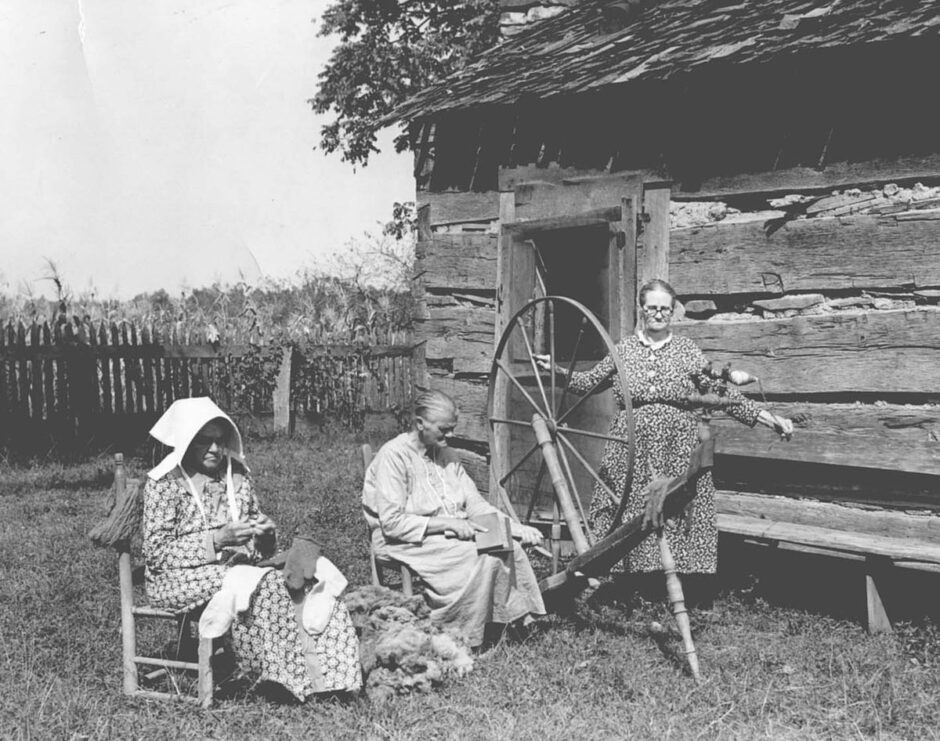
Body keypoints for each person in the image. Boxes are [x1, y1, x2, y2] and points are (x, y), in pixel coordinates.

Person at [537, 279, 793, 589]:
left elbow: (722, 391)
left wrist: (768, 418)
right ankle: (628, 577)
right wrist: (557, 370)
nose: (658, 314)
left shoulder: (686, 350)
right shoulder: (624, 349)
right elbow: (587, 382)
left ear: (672, 312)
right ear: (642, 310)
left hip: (677, 444)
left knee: (676, 504)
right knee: (629, 504)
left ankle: (671, 577)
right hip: (632, 444)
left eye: (665, 309)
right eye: (652, 308)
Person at [142, 396, 361, 700]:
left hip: (237, 569)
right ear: (185, 441)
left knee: (311, 577)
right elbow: (157, 554)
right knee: (266, 586)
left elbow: (258, 553)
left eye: (220, 441)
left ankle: (333, 677)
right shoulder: (164, 484)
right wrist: (217, 540)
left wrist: (265, 535)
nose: (215, 449)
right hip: (176, 580)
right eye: (204, 442)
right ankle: (278, 679)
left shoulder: (237, 477)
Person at [362, 389, 546, 648]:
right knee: (482, 557)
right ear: (419, 424)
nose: (450, 435)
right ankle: (461, 634)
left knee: (510, 547)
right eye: (444, 429)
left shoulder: (447, 455)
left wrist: (513, 528)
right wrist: (448, 524)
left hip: (447, 534)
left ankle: (515, 620)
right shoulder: (394, 456)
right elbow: (392, 523)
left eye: (452, 429)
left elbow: (475, 504)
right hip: (402, 540)